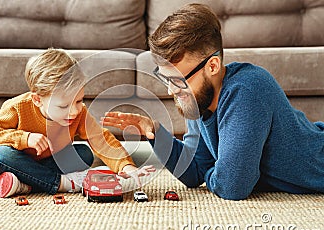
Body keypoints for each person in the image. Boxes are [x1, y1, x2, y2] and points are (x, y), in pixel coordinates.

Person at [101, 3, 324, 200]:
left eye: (177, 80)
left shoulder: (246, 89)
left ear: (213, 66)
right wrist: (154, 131)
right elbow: (194, 170)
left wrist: (219, 171)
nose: (171, 90)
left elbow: (232, 186)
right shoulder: (197, 99)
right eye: (166, 79)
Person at [0, 48, 155, 198]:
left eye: (78, 101)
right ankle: (61, 183)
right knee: (0, 155)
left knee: (84, 154)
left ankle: (26, 184)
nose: (74, 111)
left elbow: (101, 140)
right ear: (38, 100)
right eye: (64, 106)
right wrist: (25, 138)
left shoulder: (79, 113)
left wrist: (126, 166)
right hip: (11, 163)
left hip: (46, 163)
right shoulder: (17, 107)